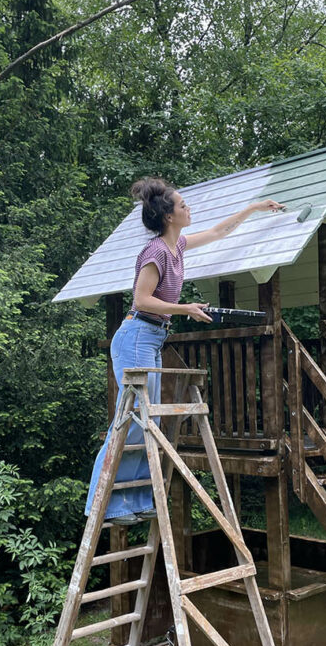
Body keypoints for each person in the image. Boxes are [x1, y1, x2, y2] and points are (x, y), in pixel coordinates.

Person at [84, 177, 284, 523]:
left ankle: (135, 500)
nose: (188, 208)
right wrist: (186, 308)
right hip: (135, 337)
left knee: (149, 422)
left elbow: (220, 232)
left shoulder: (177, 246)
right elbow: (141, 299)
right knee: (131, 420)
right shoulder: (156, 251)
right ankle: (102, 504)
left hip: (151, 337)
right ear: (167, 216)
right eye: (183, 205)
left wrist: (254, 208)